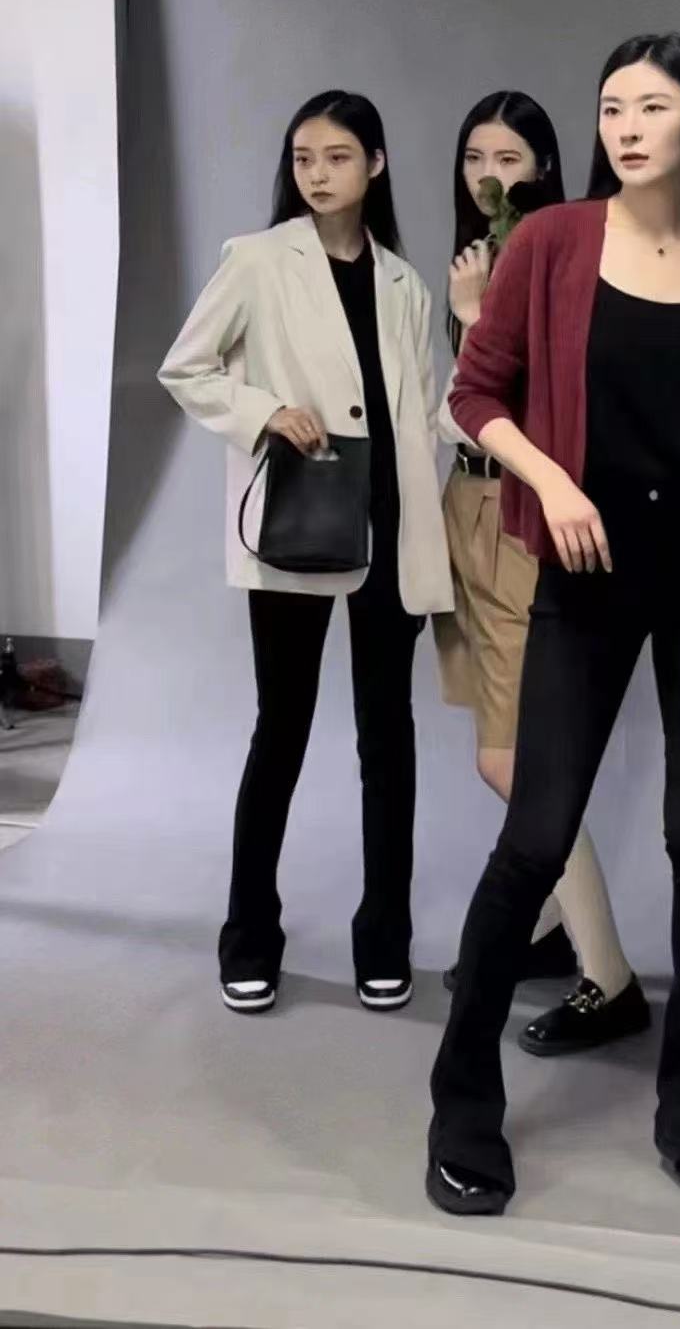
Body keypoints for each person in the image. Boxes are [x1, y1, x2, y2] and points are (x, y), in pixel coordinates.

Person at [426, 34, 680, 1217]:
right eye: (610, 108)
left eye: (651, 105)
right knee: (535, 834)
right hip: (585, 577)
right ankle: (462, 1098)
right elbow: (473, 392)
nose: (627, 127)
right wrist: (553, 483)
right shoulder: (551, 241)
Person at [158, 90, 453, 1016]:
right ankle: (249, 938)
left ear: (376, 164)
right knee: (279, 730)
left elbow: (425, 413)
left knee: (388, 740)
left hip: (392, 528)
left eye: (336, 157)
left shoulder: (405, 283)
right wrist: (263, 412)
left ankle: (385, 939)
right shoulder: (257, 259)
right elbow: (186, 367)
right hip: (301, 520)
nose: (316, 174)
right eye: (302, 158)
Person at [435, 91, 649, 1056]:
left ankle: (610, 978)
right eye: (475, 156)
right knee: (505, 749)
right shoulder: (479, 257)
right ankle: (553, 931)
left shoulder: (560, 256)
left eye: (509, 159)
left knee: (516, 762)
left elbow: (540, 404)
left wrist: (475, 317)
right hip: (466, 511)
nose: (490, 175)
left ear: (546, 171)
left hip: (522, 514)